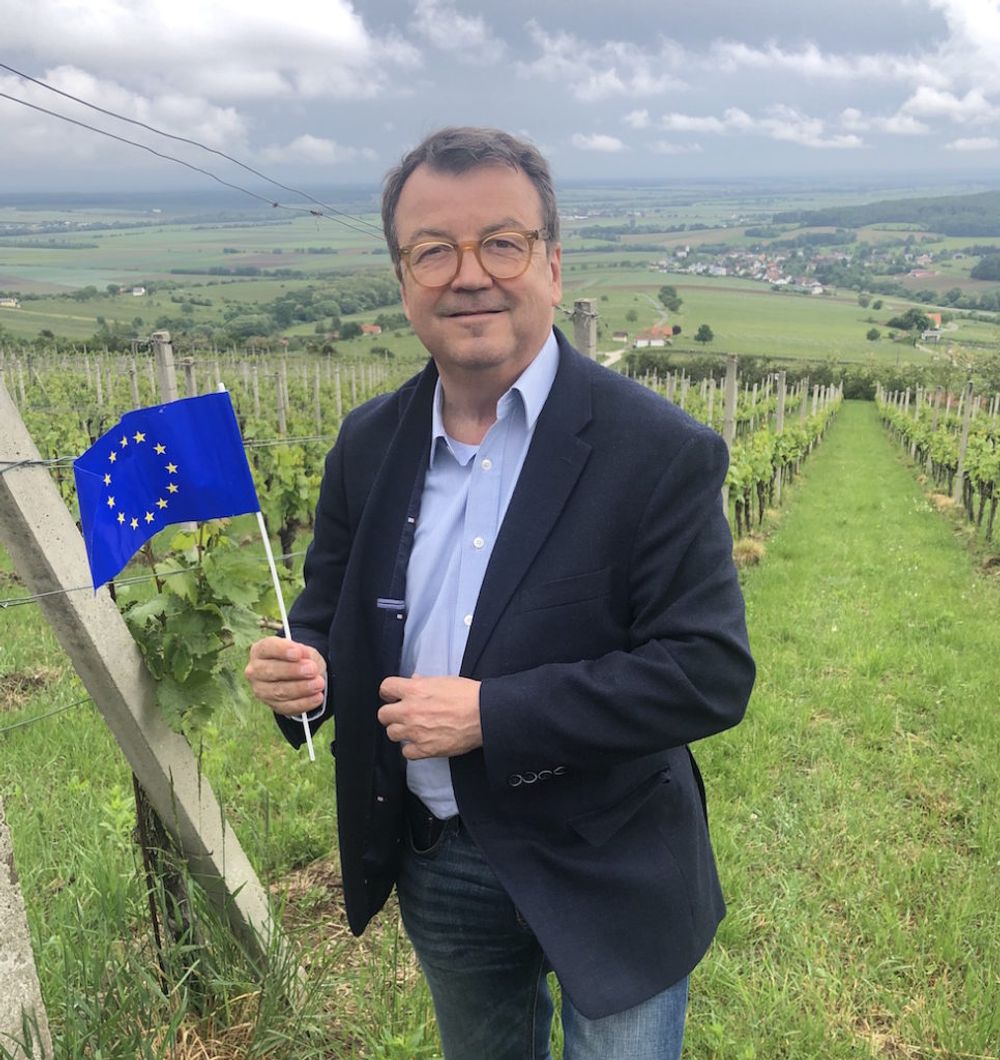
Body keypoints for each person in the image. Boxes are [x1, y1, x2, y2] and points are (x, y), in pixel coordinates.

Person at [246, 126, 754, 1060]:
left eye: (502, 243)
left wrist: (491, 714)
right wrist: (301, 674)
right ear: (404, 279)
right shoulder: (367, 445)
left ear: (552, 266)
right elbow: (327, 615)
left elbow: (707, 673)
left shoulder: (657, 451)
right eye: (433, 250)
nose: (468, 274)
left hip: (611, 859)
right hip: (439, 857)